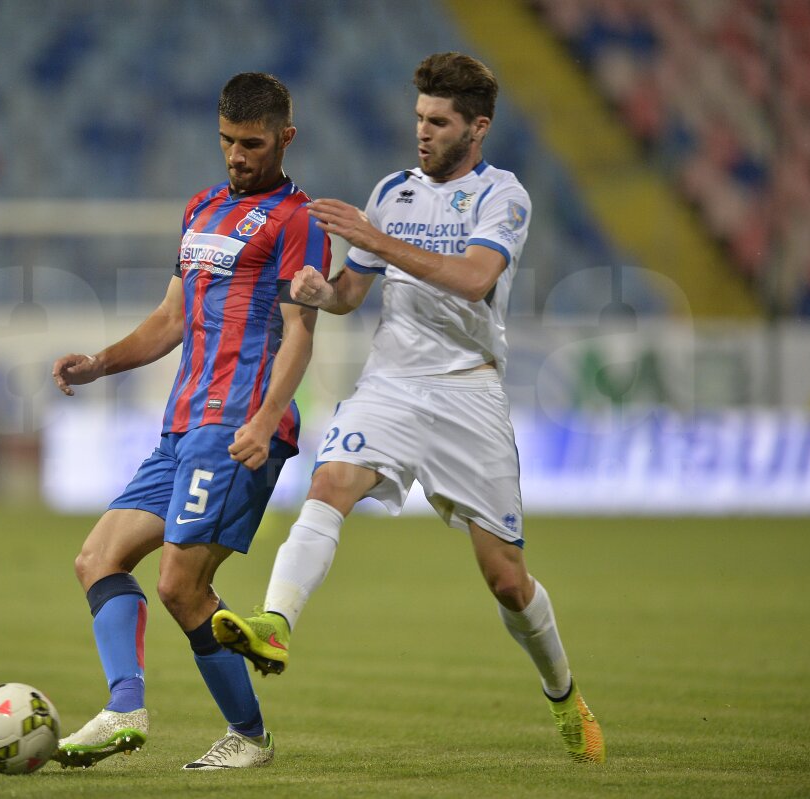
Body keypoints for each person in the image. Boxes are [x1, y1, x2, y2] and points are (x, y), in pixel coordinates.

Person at [212, 52, 606, 765]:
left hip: (468, 392)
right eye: (419, 117)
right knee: (329, 483)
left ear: (477, 127)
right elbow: (352, 292)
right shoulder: (391, 190)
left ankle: (563, 692)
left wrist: (374, 239)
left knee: (507, 579)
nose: (422, 132)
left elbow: (474, 278)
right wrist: (317, 289)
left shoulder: (502, 196)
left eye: (440, 121)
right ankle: (275, 622)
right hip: (391, 382)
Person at [50, 72, 331, 771]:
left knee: (179, 585)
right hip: (181, 428)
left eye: (252, 143)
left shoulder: (298, 222)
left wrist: (267, 419)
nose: (236, 156)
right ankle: (124, 706)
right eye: (227, 141)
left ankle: (251, 735)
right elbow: (172, 319)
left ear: (285, 138)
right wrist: (100, 363)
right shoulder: (201, 208)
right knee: (97, 558)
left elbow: (300, 330)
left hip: (239, 426)